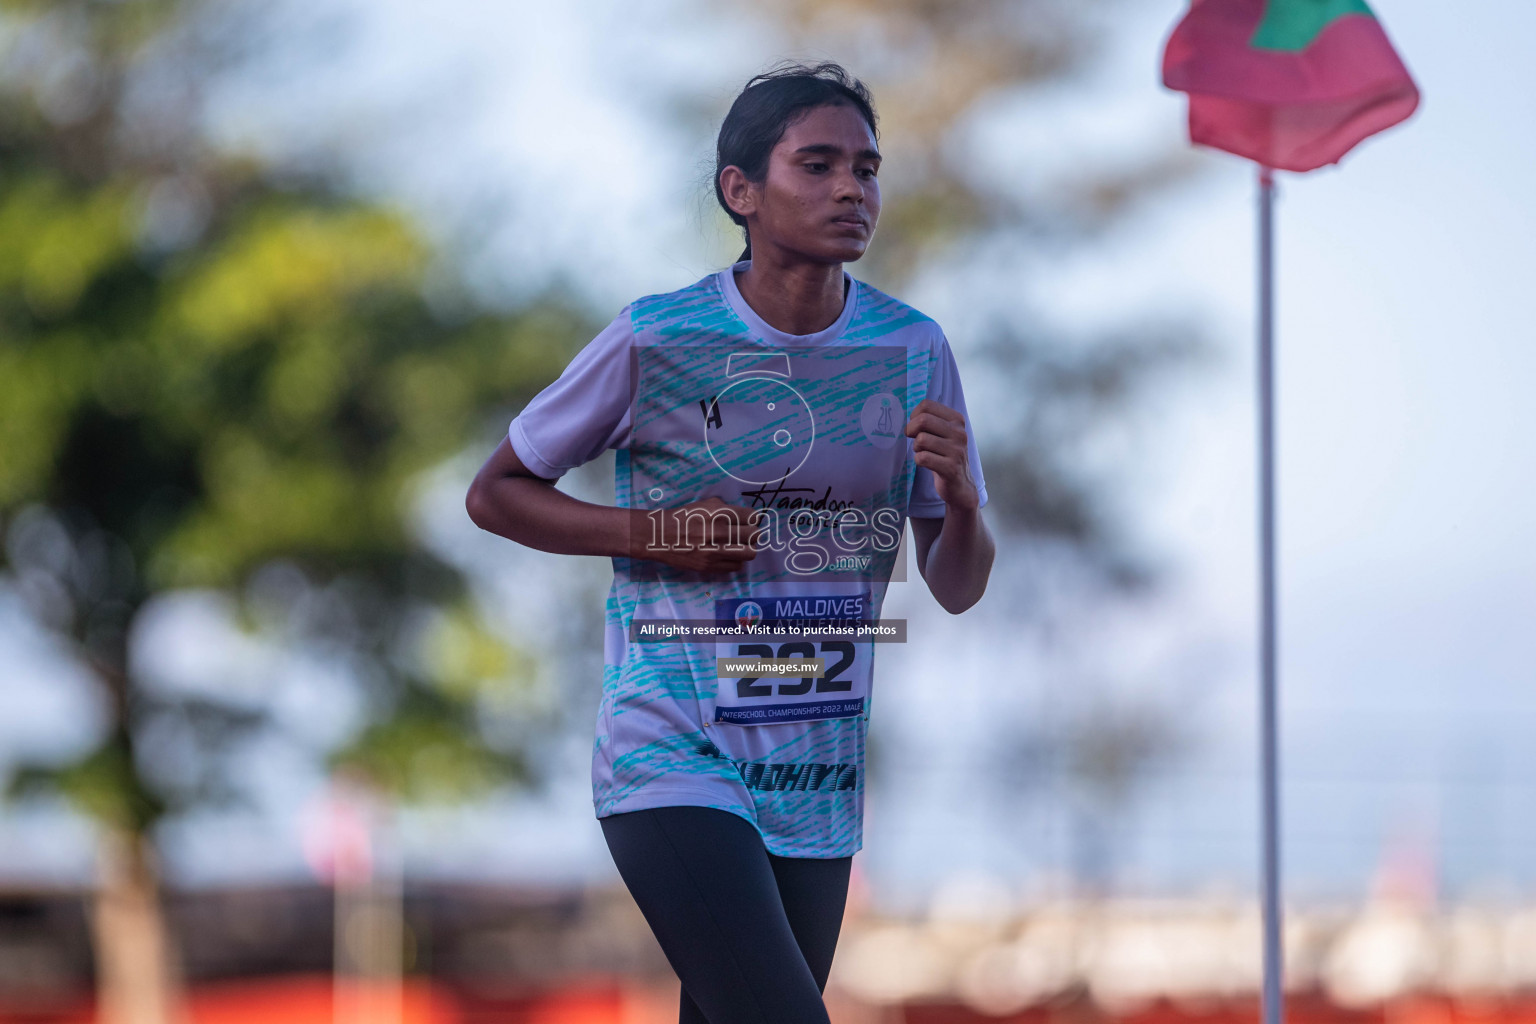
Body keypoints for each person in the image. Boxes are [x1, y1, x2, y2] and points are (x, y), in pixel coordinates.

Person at [466, 60, 994, 1024]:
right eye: (820, 165)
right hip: (672, 742)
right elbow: (496, 493)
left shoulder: (915, 349)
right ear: (739, 191)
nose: (851, 189)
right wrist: (653, 532)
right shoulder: (658, 338)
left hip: (817, 766)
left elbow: (956, 585)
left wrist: (960, 501)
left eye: (867, 170)